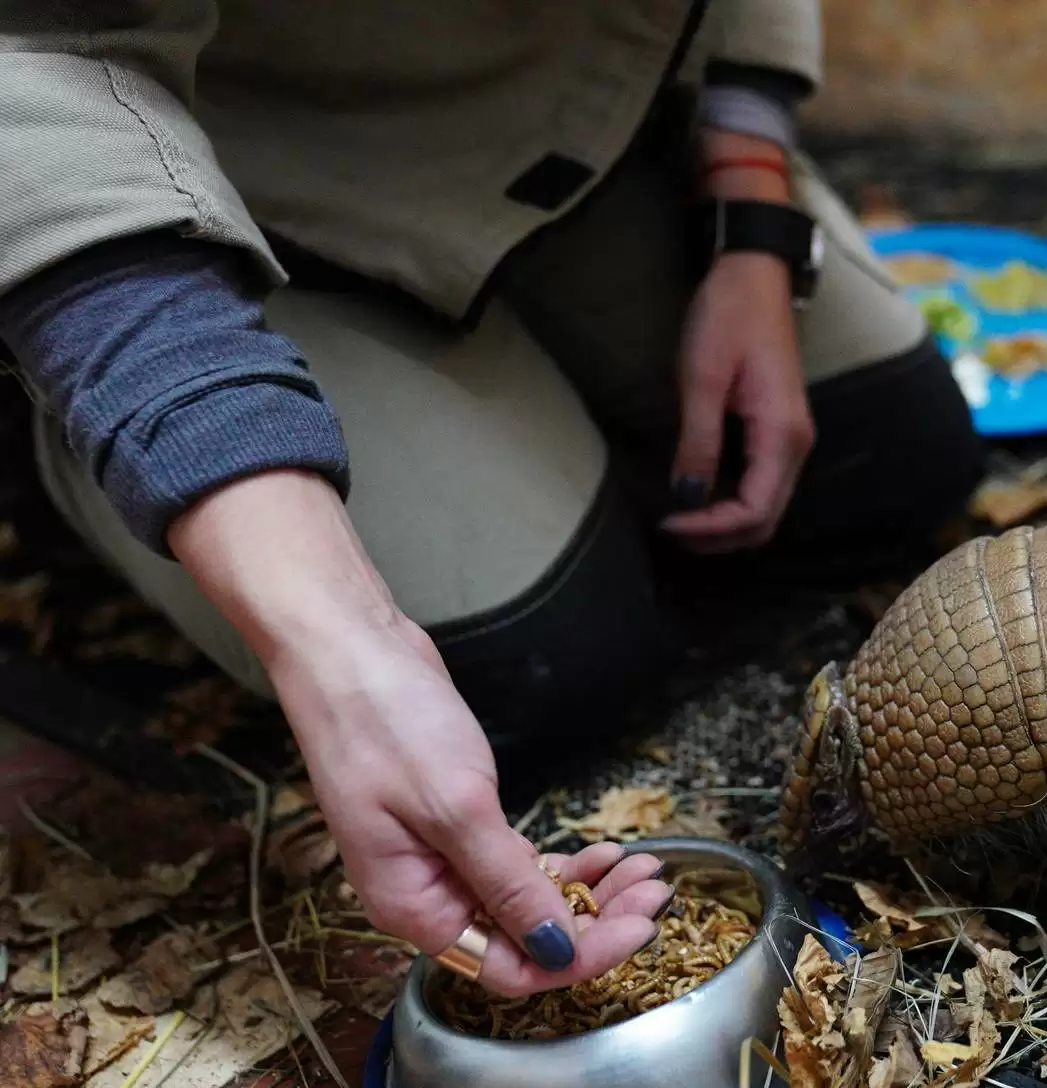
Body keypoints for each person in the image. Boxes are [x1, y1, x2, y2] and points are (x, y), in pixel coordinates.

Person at [0, 2, 984, 999]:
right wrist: (345, 641)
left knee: (889, 462)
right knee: (536, 670)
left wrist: (753, 226)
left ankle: (535, 423)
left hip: (568, 113)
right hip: (217, 174)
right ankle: (84, 409)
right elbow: (38, 71)